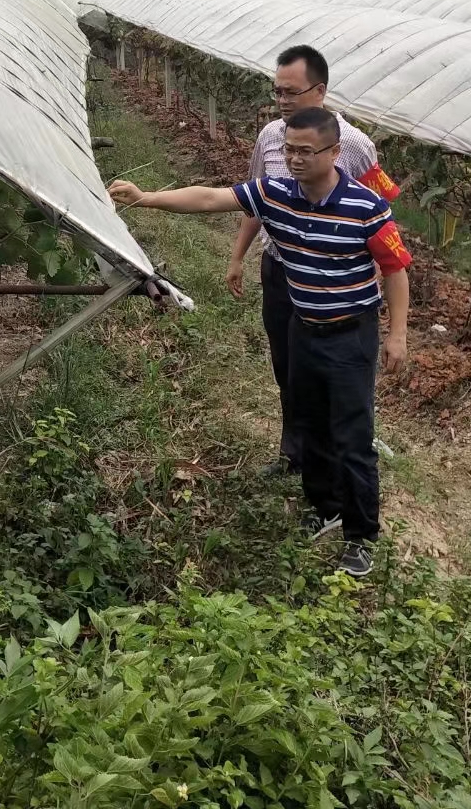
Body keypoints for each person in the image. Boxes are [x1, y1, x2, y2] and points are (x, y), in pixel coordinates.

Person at [110, 107, 411, 577]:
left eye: (305, 152)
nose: (294, 159)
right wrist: (146, 198)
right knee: (306, 418)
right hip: (304, 327)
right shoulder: (274, 192)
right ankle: (326, 506)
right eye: (289, 149)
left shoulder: (366, 206)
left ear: (334, 152)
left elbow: (395, 270)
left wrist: (397, 335)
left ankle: (360, 534)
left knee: (351, 435)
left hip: (351, 334)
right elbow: (211, 199)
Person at [227, 44, 400, 479]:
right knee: (288, 366)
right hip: (280, 269)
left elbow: (381, 213)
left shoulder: (357, 146)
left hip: (332, 279)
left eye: (291, 92)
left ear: (319, 90)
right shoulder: (271, 136)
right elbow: (256, 199)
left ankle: (341, 458)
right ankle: (295, 452)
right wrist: (238, 256)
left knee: (336, 380)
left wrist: (373, 275)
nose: (282, 100)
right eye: (277, 92)